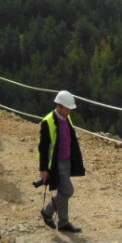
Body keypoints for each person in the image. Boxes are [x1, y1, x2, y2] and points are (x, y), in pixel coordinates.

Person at [38, 90, 86, 233]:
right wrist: (44, 169)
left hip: (66, 160)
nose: (69, 111)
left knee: (63, 191)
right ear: (59, 107)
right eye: (67, 109)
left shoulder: (66, 118)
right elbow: (44, 147)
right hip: (56, 163)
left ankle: (63, 222)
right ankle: (47, 212)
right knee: (67, 191)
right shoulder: (48, 122)